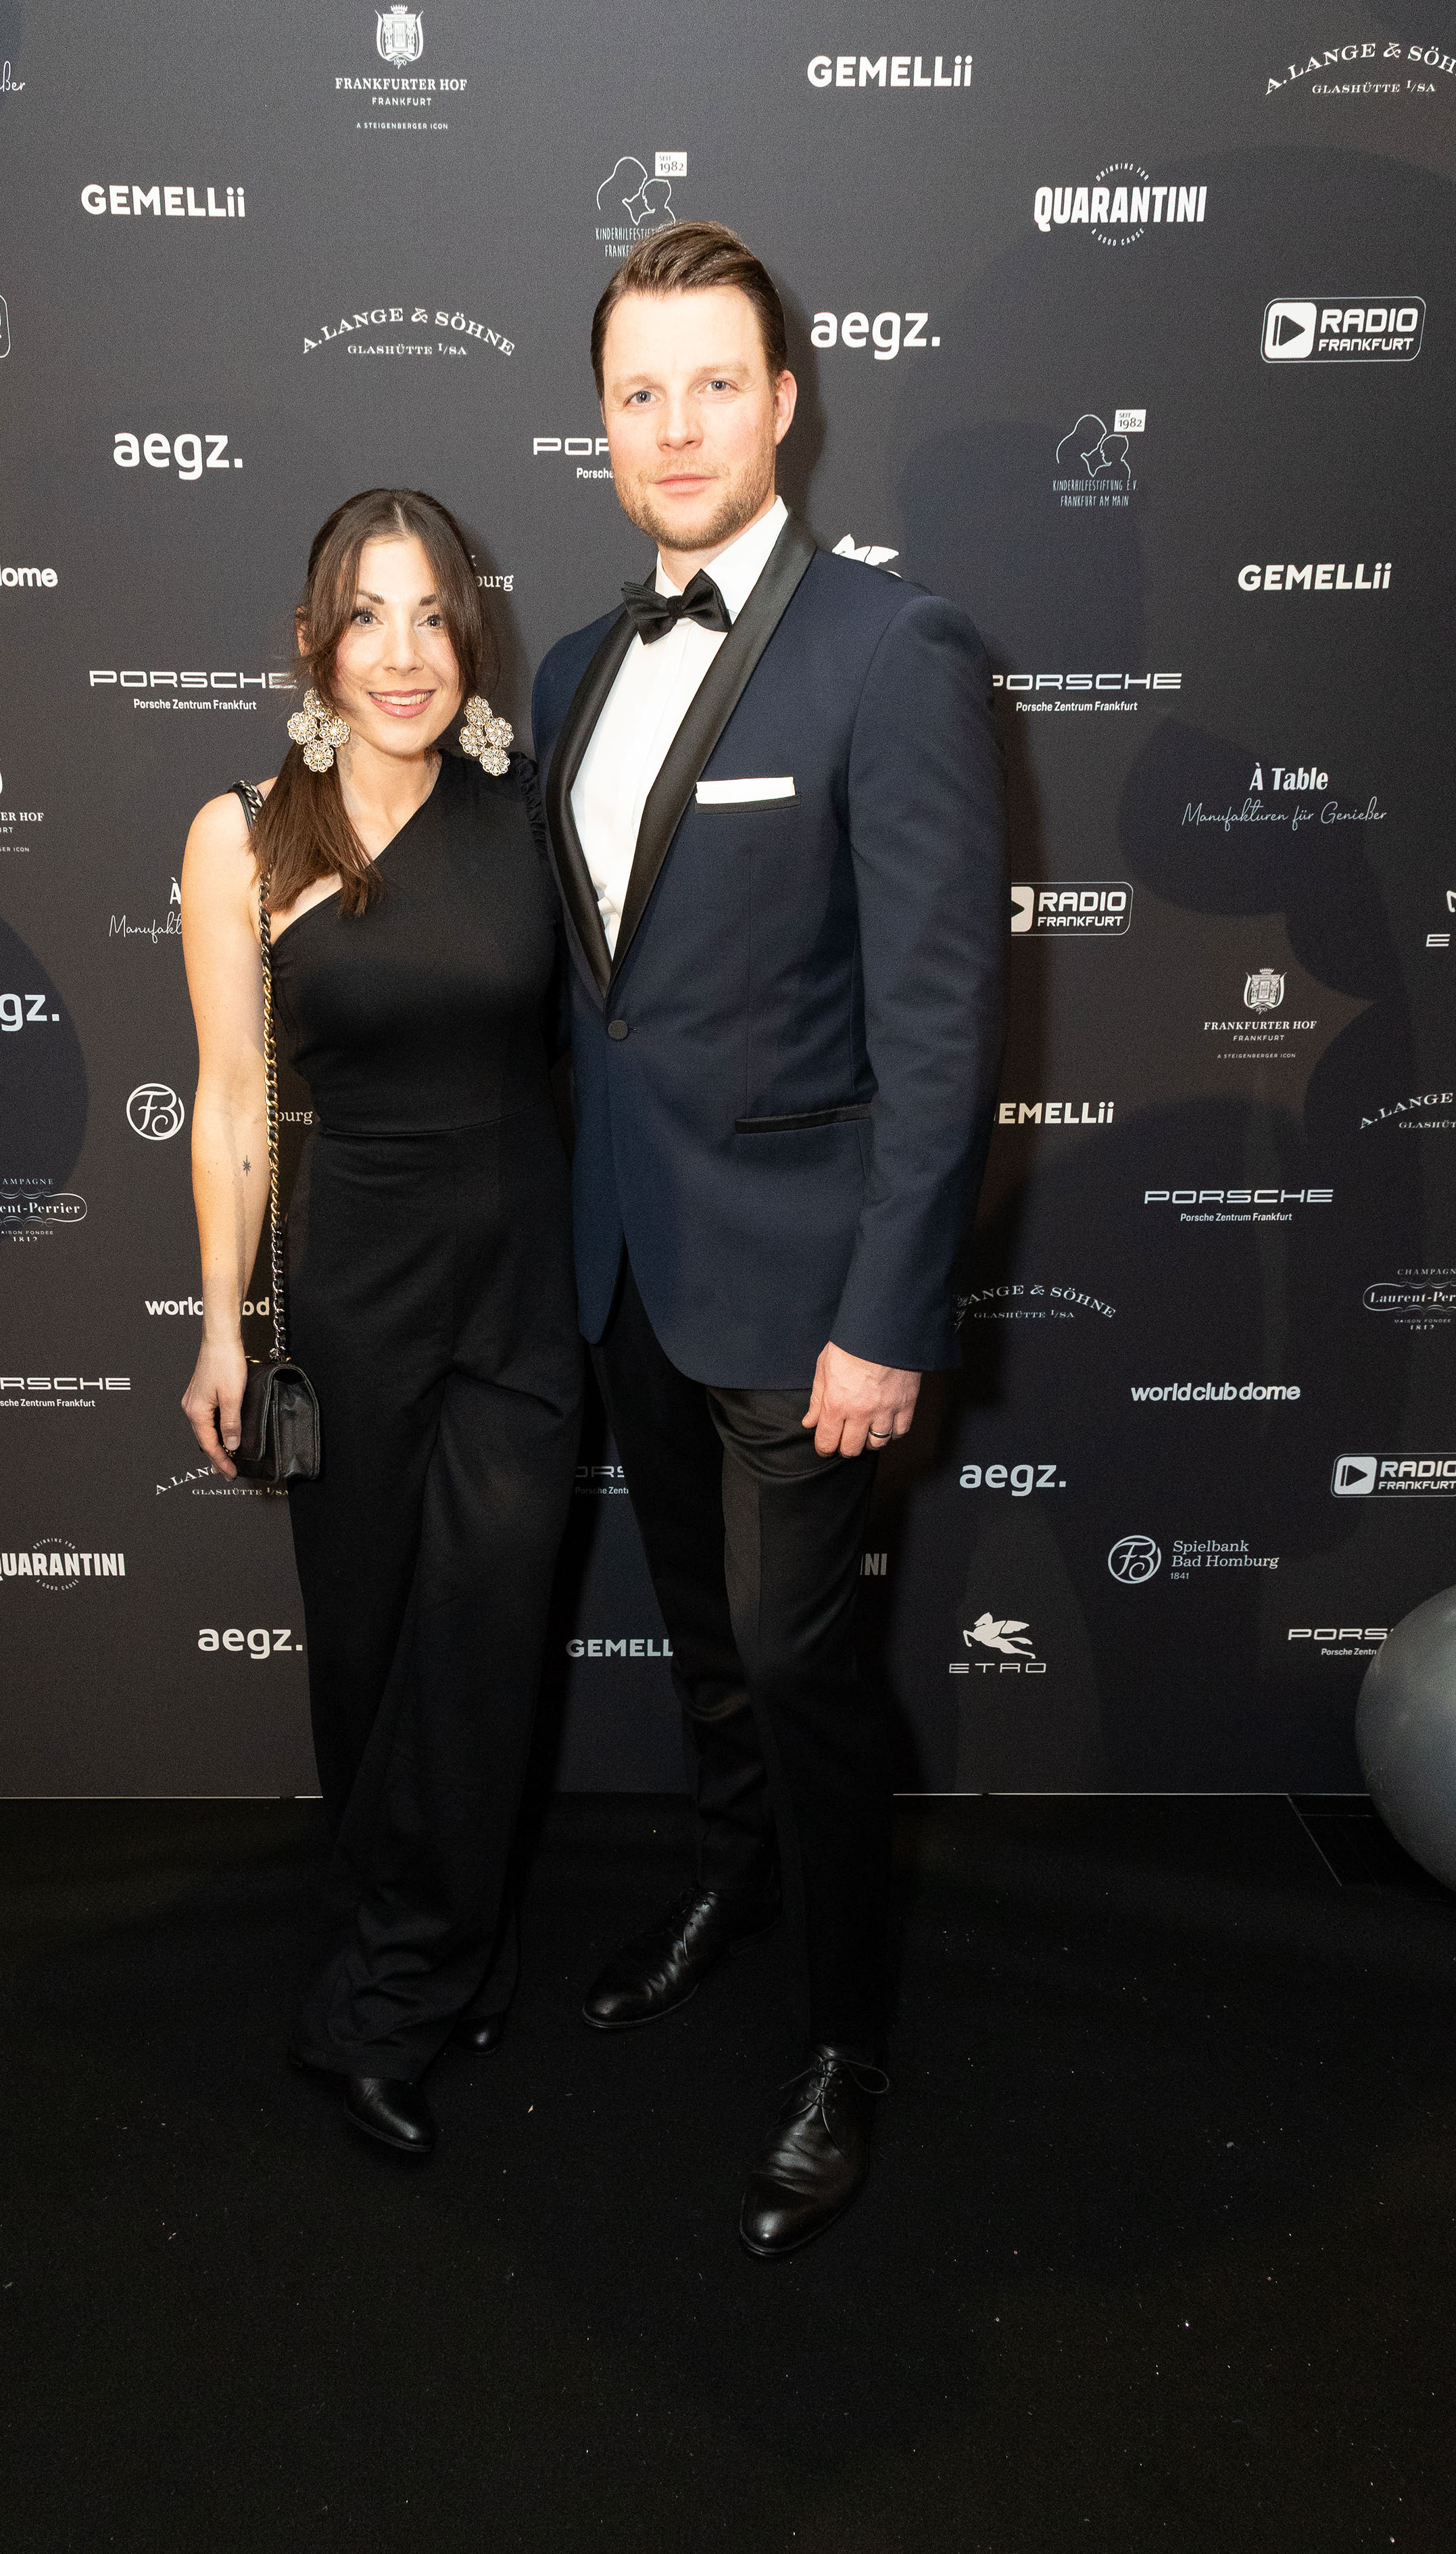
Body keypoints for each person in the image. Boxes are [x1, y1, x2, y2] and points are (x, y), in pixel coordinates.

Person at [533, 224, 1008, 2257]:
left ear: (784, 403)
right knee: (710, 1645)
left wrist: (886, 1316)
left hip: (810, 1295)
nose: (675, 427)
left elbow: (940, 1024)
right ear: (600, 422)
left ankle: (843, 2038)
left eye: (712, 384)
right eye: (638, 393)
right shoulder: (569, 669)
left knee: (804, 1664)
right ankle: (731, 1879)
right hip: (628, 1270)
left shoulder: (891, 649)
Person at [180, 489, 581, 2161]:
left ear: (465, 635)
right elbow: (228, 1102)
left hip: (521, 1297)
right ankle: (411, 1943)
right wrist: (221, 1327)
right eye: (366, 616)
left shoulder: (528, 813)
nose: (402, 654)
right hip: (352, 1298)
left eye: (430, 615)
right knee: (365, 1649)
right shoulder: (244, 835)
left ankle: (392, 1993)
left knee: (485, 1640)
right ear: (312, 642)